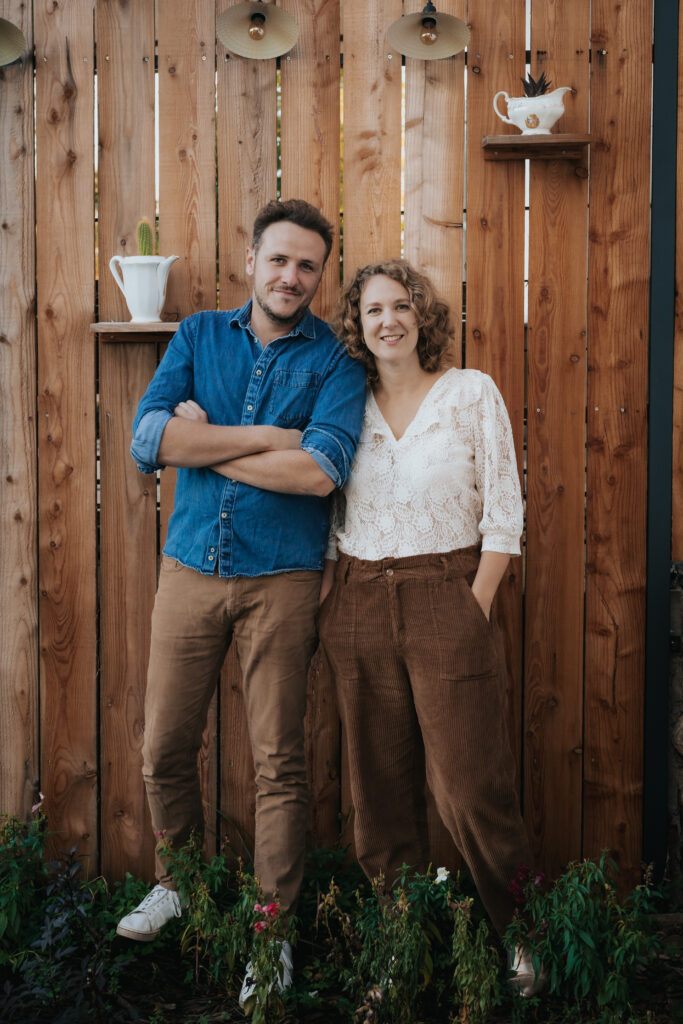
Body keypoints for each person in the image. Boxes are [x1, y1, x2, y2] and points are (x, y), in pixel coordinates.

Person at [116, 200, 367, 1001]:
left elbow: (319, 473)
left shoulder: (335, 364)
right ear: (251, 258)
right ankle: (177, 880)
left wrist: (212, 440)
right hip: (190, 568)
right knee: (161, 746)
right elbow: (149, 440)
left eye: (306, 267)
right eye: (279, 260)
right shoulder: (194, 337)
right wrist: (267, 438)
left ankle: (272, 932)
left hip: (282, 582)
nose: (290, 277)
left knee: (278, 765)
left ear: (317, 276)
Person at [317, 259, 545, 997]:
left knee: (473, 785)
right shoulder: (342, 405)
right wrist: (331, 605)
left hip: (447, 592)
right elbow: (325, 514)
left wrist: (469, 607)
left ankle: (525, 939)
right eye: (372, 310)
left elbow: (503, 518)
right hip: (356, 599)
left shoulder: (469, 393)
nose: (387, 320)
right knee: (377, 793)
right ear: (356, 325)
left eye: (400, 305)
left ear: (422, 315)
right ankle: (398, 942)